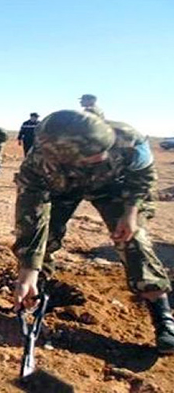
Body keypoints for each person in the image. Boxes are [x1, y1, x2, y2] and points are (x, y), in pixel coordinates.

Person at [12, 110, 174, 354]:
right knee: (45, 239)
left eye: (103, 151)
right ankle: (34, 296)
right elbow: (31, 219)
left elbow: (143, 175)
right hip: (61, 189)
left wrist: (131, 212)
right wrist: (28, 271)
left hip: (114, 188)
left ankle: (163, 318)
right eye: (93, 156)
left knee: (134, 240)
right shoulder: (38, 165)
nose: (103, 156)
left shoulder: (129, 139)